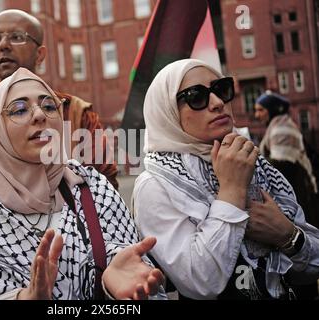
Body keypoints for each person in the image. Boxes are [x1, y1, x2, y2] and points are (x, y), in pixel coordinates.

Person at [0, 68, 164, 300]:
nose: (40, 115)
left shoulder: (95, 190)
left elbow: (141, 280)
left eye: (49, 106)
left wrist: (113, 284)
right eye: (19, 109)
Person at [132, 59, 319, 300]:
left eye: (221, 89)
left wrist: (288, 236)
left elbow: (313, 268)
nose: (218, 103)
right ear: (167, 112)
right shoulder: (157, 184)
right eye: (196, 96)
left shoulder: (257, 165)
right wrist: (231, 190)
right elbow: (201, 282)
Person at [0, 10, 118, 214]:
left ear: (40, 54)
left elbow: (103, 192)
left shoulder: (76, 112)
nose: (3, 45)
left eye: (17, 38)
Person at [254, 92, 318, 228]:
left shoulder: (282, 127)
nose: (257, 115)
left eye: (260, 110)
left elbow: (280, 164)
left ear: (272, 110)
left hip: (298, 190)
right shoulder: (276, 125)